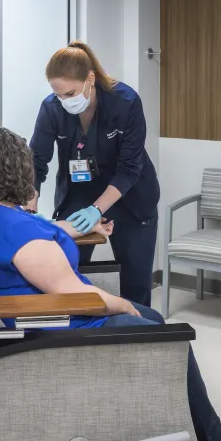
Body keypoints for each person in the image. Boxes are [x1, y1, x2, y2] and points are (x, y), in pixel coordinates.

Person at [0, 127, 221, 441]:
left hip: (55, 320)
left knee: (156, 317)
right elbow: (78, 298)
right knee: (169, 335)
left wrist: (73, 228)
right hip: (66, 329)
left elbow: (39, 230)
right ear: (17, 172)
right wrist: (121, 305)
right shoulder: (18, 233)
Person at [28, 41, 160, 309]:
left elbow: (129, 169)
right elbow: (37, 161)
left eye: (70, 93)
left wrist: (96, 210)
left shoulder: (126, 102)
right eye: (58, 94)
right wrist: (29, 204)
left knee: (135, 283)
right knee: (67, 269)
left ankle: (138, 334)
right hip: (79, 194)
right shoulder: (52, 108)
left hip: (130, 197)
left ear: (90, 79)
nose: (64, 101)